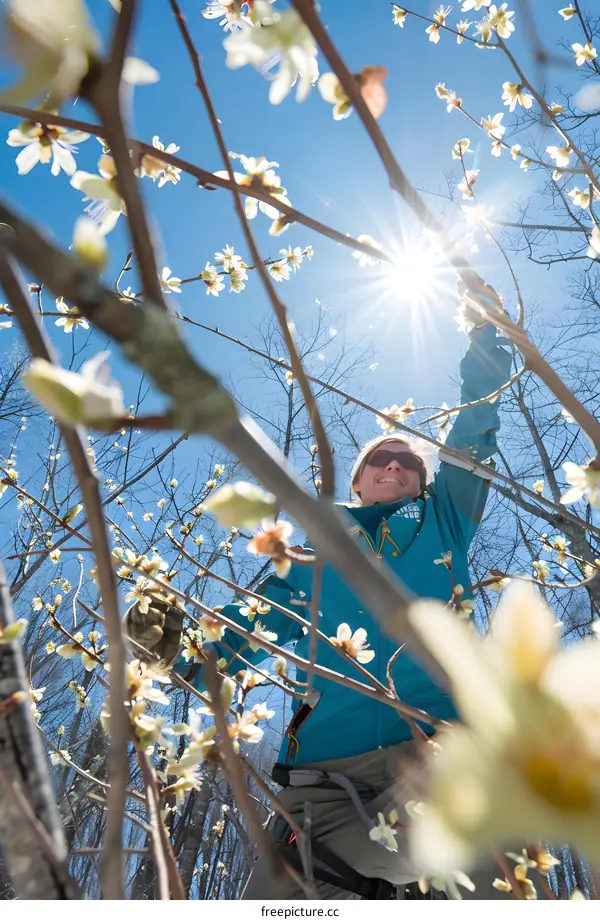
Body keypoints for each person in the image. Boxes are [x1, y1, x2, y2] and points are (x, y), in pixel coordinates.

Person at [126, 288, 534, 900]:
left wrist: (486, 339)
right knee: (283, 900)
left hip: (441, 751)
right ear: (359, 481)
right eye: (380, 460)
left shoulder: (447, 520)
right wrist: (175, 653)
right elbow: (247, 632)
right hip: (327, 779)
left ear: (425, 481)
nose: (395, 465)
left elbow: (476, 430)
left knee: (487, 878)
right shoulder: (313, 555)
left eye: (408, 462)